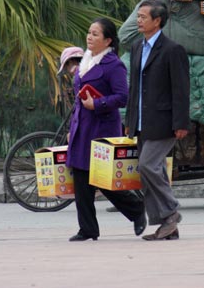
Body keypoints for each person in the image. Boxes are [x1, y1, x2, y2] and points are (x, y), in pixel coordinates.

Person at [66, 19, 146, 242]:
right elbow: (78, 98)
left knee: (103, 179)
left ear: (108, 40)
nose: (89, 37)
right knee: (81, 180)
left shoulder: (113, 65)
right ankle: (88, 228)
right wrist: (73, 126)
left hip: (102, 127)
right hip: (82, 126)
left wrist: (98, 105)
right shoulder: (85, 62)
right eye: (89, 33)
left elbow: (123, 97)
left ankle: (137, 210)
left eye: (95, 34)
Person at [125, 0, 190, 241]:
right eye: (138, 16)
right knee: (152, 171)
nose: (138, 20)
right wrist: (130, 120)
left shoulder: (173, 50)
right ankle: (167, 225)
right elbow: (135, 87)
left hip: (164, 121)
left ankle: (171, 212)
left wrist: (181, 122)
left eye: (143, 17)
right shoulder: (136, 47)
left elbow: (181, 89)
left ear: (157, 21)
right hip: (142, 121)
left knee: (147, 166)